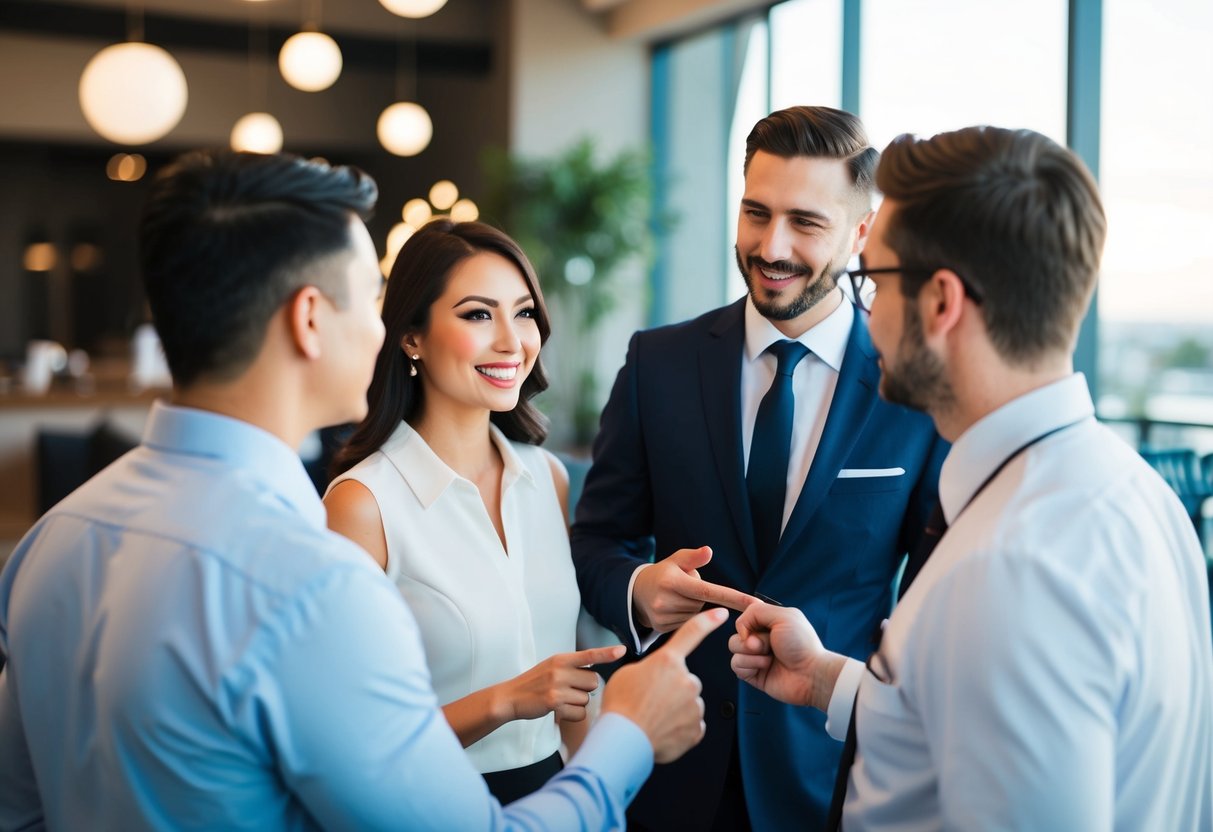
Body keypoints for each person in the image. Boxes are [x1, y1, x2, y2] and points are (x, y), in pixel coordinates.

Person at [0, 149, 725, 831]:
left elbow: (19, 810)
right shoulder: (313, 582)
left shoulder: (52, 540)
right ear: (310, 318)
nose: (380, 325)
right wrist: (629, 733)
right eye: (370, 296)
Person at [730, 125, 1213, 830]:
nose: (864, 313)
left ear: (940, 302)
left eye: (871, 278)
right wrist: (828, 682)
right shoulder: (1136, 494)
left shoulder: (1010, 566)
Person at [571, 105, 947, 830]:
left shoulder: (914, 390)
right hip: (666, 760)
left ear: (861, 234)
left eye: (805, 223)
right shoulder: (659, 363)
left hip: (832, 771)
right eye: (755, 213)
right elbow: (595, 541)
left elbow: (931, 600)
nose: (770, 246)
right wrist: (639, 587)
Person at [324, 220, 621, 803]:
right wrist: (505, 700)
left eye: (525, 313)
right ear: (412, 336)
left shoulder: (547, 478)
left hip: (555, 796)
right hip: (430, 805)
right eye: (478, 315)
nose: (513, 341)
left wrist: (600, 801)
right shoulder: (363, 504)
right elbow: (346, 740)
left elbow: (567, 690)